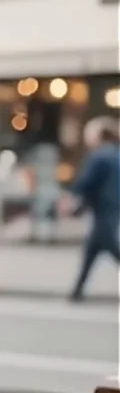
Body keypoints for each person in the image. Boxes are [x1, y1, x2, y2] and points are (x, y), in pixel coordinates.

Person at [68, 117, 120, 302]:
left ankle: (77, 291)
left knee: (112, 248)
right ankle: (77, 291)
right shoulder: (115, 153)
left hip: (105, 209)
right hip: (110, 207)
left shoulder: (100, 155)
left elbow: (86, 183)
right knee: (92, 250)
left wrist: (73, 201)